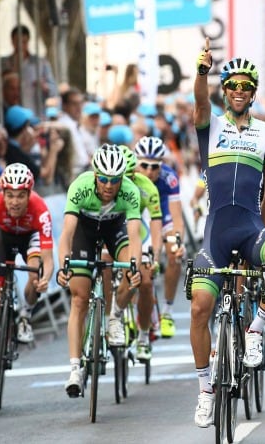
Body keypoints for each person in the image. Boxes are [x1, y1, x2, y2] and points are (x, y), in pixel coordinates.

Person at [191, 43, 265, 428]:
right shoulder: (211, 125)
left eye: (245, 85)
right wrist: (202, 72)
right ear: (224, 90)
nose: (238, 89)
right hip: (216, 233)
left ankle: (257, 326)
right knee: (201, 307)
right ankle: (204, 389)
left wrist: (260, 237)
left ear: (253, 92)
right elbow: (199, 101)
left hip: (250, 228)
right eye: (231, 83)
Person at [56, 144, 142, 398]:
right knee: (79, 298)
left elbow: (135, 236)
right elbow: (67, 234)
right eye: (103, 179)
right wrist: (64, 264)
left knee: (131, 275)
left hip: (115, 227)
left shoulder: (129, 191)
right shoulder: (80, 186)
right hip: (85, 228)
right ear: (95, 175)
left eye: (114, 180)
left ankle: (115, 314)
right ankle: (74, 370)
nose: (108, 185)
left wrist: (134, 266)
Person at [0, 163, 54, 391]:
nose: (14, 201)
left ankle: (25, 315)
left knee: (35, 275)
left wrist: (45, 277)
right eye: (10, 195)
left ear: (29, 194)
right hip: (2, 238)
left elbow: (48, 258)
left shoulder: (40, 209)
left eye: (20, 196)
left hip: (30, 237)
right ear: (3, 193)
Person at [134, 135, 185, 338]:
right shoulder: (128, 174)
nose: (149, 171)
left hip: (162, 214)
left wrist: (177, 240)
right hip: (138, 215)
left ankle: (167, 312)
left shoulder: (169, 178)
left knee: (174, 252)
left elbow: (177, 218)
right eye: (144, 165)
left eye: (155, 167)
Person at [120, 145, 162, 356]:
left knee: (145, 281)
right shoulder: (103, 187)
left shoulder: (146, 187)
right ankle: (112, 317)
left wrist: (154, 255)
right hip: (112, 231)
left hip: (139, 232)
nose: (125, 182)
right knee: (104, 266)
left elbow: (155, 224)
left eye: (130, 175)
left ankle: (144, 335)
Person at [0, 25, 58, 116]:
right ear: (12, 41)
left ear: (28, 41)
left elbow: (53, 90)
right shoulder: (4, 63)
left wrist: (44, 86)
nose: (20, 46)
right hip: (11, 113)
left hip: (34, 111)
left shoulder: (40, 64)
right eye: (17, 42)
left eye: (24, 42)